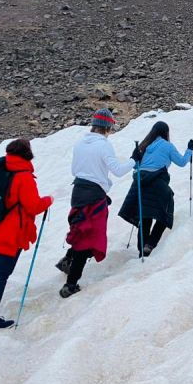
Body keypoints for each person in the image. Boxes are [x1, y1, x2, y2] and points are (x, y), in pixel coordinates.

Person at [0, 139, 53, 328]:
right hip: (9, 235)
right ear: (27, 154)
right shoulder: (23, 177)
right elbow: (33, 206)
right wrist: (48, 200)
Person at [55, 108, 134, 299]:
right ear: (107, 127)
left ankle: (68, 259)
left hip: (78, 192)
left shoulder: (80, 142)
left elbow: (75, 168)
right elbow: (117, 170)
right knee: (89, 238)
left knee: (80, 230)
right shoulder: (104, 145)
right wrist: (134, 160)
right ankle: (71, 284)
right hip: (94, 198)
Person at [118, 121, 193, 257]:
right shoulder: (168, 146)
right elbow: (182, 162)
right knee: (165, 212)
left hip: (140, 183)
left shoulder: (143, 146)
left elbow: (135, 166)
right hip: (158, 182)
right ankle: (150, 243)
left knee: (145, 215)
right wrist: (190, 150)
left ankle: (142, 250)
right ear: (166, 133)